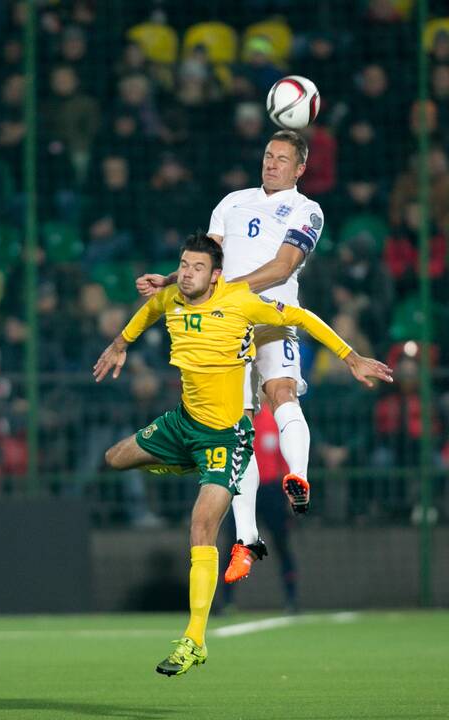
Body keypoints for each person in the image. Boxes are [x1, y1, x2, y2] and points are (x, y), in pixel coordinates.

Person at [95, 232, 393, 676]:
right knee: (113, 458)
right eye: (184, 265)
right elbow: (147, 312)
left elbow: (304, 317)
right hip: (183, 424)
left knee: (201, 526)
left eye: (198, 267)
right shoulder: (171, 298)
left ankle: (193, 639)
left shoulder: (240, 301)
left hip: (225, 438)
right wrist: (120, 343)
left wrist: (351, 358)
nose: (189, 273)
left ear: (216, 276)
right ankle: (187, 464)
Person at [136, 130, 329, 583]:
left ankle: (297, 476)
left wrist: (231, 294)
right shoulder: (232, 202)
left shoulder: (307, 210)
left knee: (281, 391)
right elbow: (205, 259)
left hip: (273, 313)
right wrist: (170, 280)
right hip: (228, 326)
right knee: (236, 425)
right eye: (268, 156)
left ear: (300, 169)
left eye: (282, 159)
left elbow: (283, 267)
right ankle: (247, 538)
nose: (272, 164)